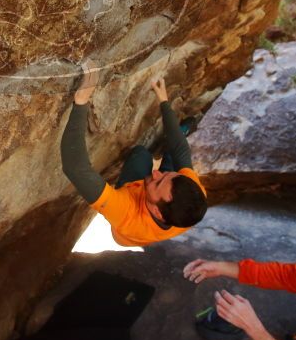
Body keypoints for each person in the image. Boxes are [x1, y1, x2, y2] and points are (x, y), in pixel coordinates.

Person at [60, 63, 207, 247]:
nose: (156, 173)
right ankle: (171, 148)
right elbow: (181, 149)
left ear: (158, 212)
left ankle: (164, 154)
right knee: (173, 156)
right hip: (160, 198)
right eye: (167, 176)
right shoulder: (192, 195)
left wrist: (81, 101)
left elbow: (75, 168)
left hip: (124, 232)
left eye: (158, 182)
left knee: (141, 155)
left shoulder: (127, 213)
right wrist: (164, 101)